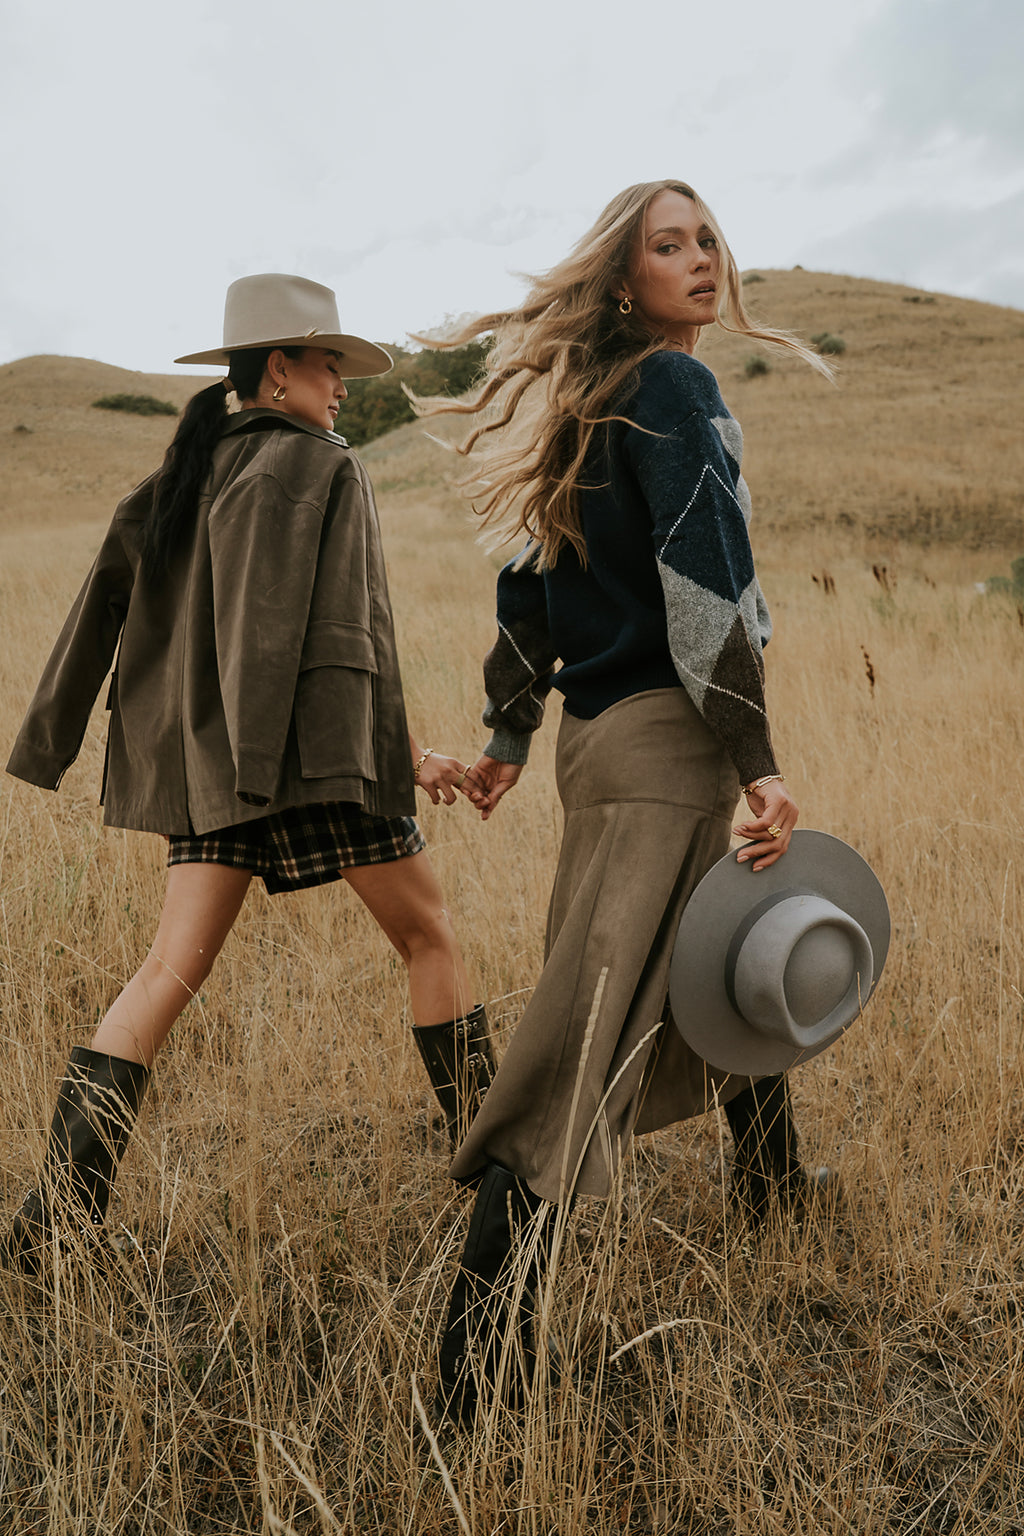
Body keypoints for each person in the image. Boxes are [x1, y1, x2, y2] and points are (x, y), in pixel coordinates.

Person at [414, 181, 835, 1421]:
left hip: (604, 744)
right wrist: (756, 759)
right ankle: (472, 1384)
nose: (701, 259)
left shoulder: (585, 406)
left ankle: (774, 1183)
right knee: (577, 1048)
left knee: (737, 952)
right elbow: (704, 589)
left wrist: (505, 733)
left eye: (707, 238)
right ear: (622, 279)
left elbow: (522, 590)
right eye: (669, 245)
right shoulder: (673, 389)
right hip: (668, 745)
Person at [3, 273, 493, 1277]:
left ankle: (49, 1227)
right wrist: (393, 758)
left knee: (162, 974)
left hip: (219, 770)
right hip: (319, 765)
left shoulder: (177, 479)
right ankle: (497, 1183)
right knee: (430, 935)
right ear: (280, 368)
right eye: (328, 365)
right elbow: (357, 634)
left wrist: (48, 742)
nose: (342, 387)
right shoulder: (324, 466)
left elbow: (96, 610)